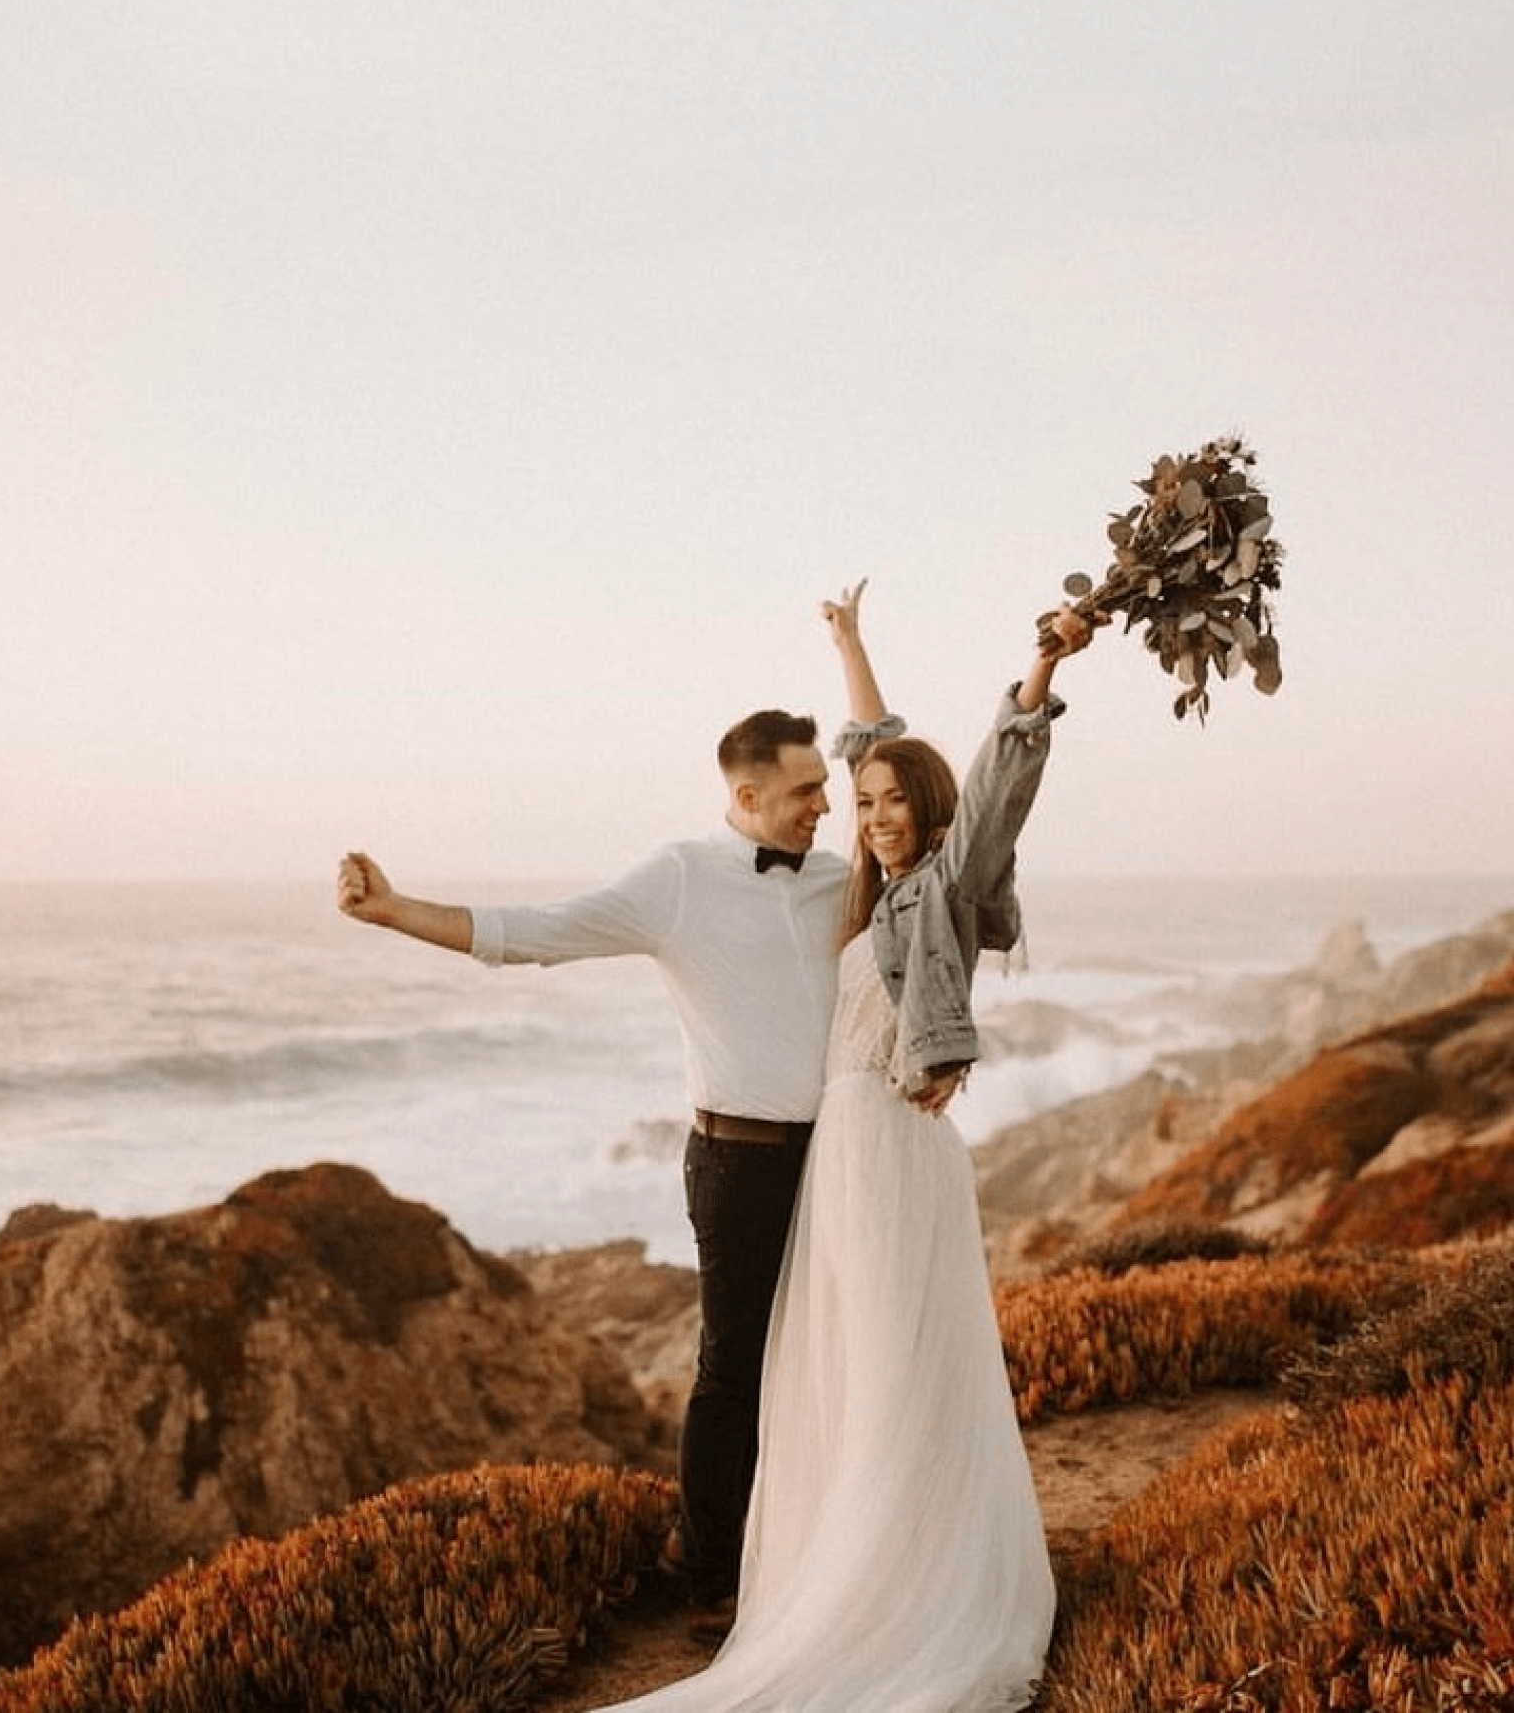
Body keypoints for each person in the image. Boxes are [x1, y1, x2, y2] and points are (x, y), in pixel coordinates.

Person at [596, 586, 1092, 1713]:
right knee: (837, 1366)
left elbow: (1000, 792)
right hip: (841, 1157)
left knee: (886, 1362)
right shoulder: (875, 885)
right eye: (856, 799)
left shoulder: (947, 883)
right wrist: (850, 644)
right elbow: (871, 740)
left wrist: (1039, 675)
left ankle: (895, 1587)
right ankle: (834, 1563)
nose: (869, 812)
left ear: (926, 806)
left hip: (885, 1151)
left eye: (887, 799)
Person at [336, 675, 904, 1621]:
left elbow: (894, 767)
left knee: (837, 1353)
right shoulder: (677, 879)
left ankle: (824, 1547)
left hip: (844, 1151)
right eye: (808, 790)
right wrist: (396, 911)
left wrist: (851, 648)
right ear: (746, 796)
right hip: (740, 1161)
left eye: (824, 787)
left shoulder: (837, 875)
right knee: (734, 1369)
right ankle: (710, 1570)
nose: (827, 804)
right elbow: (541, 934)